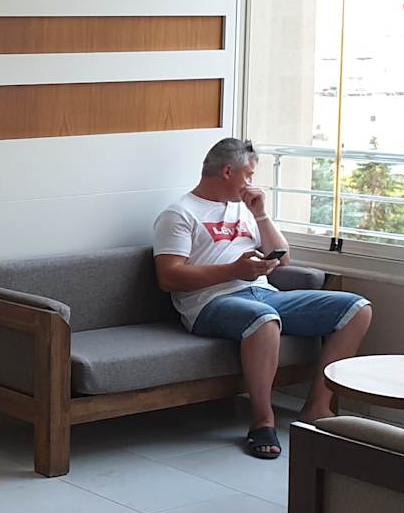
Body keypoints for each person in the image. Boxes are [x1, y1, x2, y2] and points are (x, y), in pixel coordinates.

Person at [153, 137, 373, 459]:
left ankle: (317, 407)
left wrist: (261, 215)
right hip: (209, 303)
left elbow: (283, 259)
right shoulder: (179, 213)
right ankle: (262, 420)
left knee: (356, 309)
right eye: (249, 175)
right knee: (264, 320)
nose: (252, 183)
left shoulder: (244, 210)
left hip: (264, 294)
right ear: (228, 171)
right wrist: (234, 271)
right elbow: (169, 277)